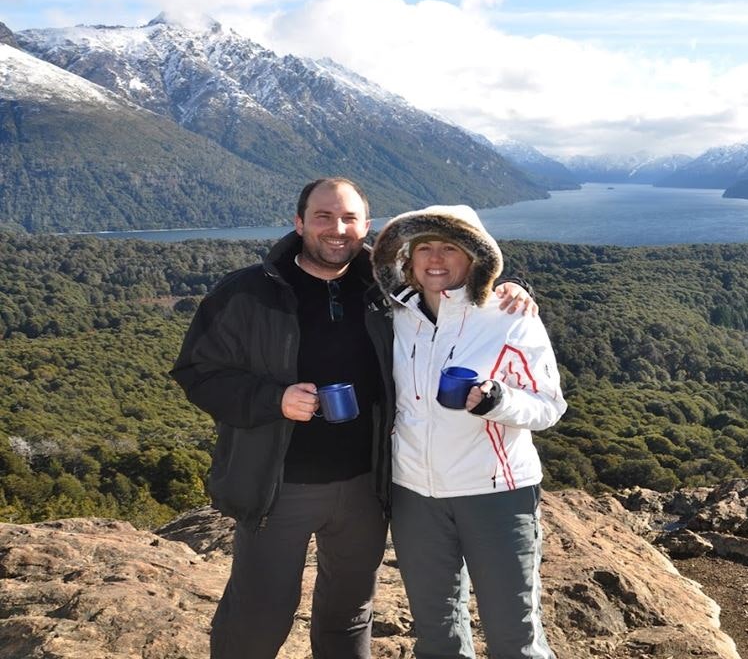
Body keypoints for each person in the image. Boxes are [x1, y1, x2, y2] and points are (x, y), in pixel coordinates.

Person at [170, 178, 535, 659]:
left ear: (367, 228)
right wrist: (273, 399)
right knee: (260, 613)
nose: (336, 229)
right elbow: (196, 372)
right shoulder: (247, 293)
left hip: (367, 486)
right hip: (277, 485)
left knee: (348, 615)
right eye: (323, 216)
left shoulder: (386, 289)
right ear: (299, 222)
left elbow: (453, 290)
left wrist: (512, 289)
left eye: (349, 219)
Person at [371, 204, 566, 659]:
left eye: (450, 247)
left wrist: (499, 401)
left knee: (513, 634)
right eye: (424, 247)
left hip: (496, 493)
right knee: (437, 634)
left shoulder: (510, 316)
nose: (435, 258)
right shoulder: (395, 315)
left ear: (476, 258)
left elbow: (549, 406)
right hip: (414, 495)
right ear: (408, 259)